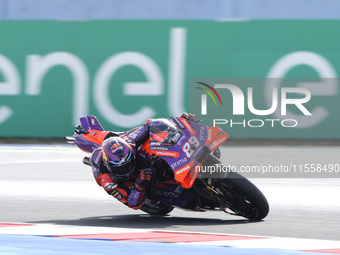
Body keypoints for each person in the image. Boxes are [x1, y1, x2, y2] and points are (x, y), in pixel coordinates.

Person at [73, 113, 197, 209]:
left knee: (112, 136)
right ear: (110, 166)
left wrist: (180, 122)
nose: (127, 169)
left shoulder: (130, 142)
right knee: (168, 198)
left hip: (126, 146)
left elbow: (152, 124)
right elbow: (132, 204)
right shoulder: (107, 181)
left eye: (128, 164)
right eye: (121, 167)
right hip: (129, 181)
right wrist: (139, 184)